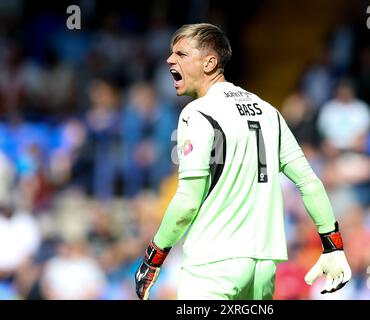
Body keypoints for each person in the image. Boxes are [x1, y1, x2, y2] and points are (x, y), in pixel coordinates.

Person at [135, 23, 351, 300]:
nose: (170, 60)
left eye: (181, 54)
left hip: (212, 265)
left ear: (210, 63)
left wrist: (154, 257)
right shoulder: (268, 111)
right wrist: (333, 246)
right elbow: (309, 181)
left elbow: (188, 202)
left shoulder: (197, 113)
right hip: (263, 265)